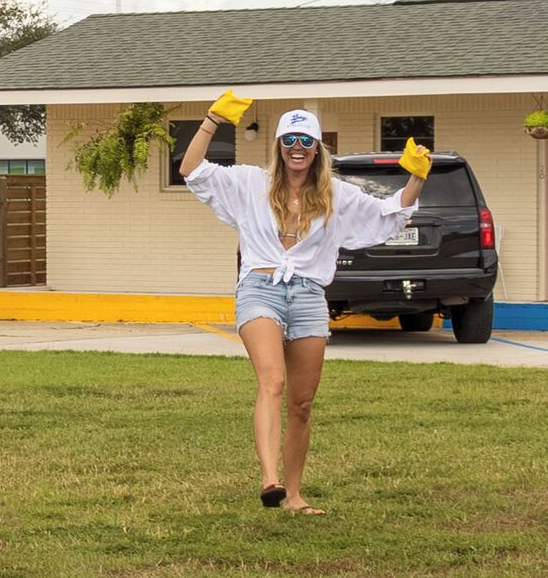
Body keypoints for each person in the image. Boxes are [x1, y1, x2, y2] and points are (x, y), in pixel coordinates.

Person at [175, 105, 418, 510]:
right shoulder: (251, 183)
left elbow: (388, 212)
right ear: (279, 146)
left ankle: (295, 495)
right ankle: (270, 481)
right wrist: (212, 121)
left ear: (318, 147)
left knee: (302, 405)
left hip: (308, 296)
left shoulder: (336, 194)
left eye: (306, 140)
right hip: (260, 288)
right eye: (289, 140)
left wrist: (417, 177)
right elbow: (191, 169)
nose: (297, 148)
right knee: (272, 381)